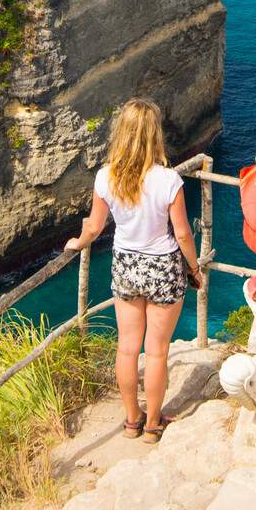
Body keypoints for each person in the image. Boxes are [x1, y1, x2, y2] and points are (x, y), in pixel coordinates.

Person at [63, 98, 204, 441]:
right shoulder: (168, 180)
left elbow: (94, 228)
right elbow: (183, 233)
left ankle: (131, 421)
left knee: (127, 347)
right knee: (156, 350)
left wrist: (78, 243)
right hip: (162, 267)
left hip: (126, 264)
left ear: (121, 134)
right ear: (154, 135)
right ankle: (154, 424)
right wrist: (195, 268)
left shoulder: (105, 177)